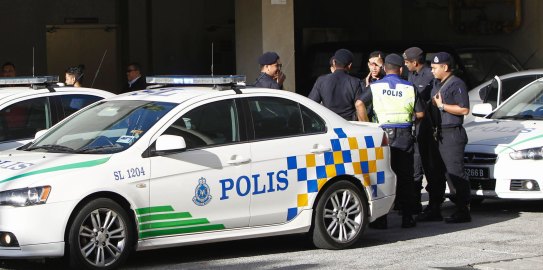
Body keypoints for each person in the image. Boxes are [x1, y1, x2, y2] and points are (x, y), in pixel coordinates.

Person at [358, 53, 424, 229]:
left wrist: (367, 126)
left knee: (382, 175)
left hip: (382, 135)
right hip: (404, 135)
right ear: (401, 69)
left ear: (385, 69)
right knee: (405, 177)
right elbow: (421, 113)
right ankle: (408, 217)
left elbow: (359, 104)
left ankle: (381, 219)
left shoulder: (376, 87)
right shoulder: (409, 87)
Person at [419, 52, 471, 223]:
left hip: (451, 133)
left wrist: (442, 106)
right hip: (437, 133)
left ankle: (463, 210)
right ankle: (435, 208)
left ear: (445, 67)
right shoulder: (436, 83)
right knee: (435, 173)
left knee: (454, 173)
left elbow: (464, 109)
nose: (432, 71)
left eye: (435, 68)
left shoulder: (457, 84)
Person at [403, 47, 435, 213]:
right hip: (414, 128)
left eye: (407, 62)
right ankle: (414, 203)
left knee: (430, 167)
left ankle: (434, 203)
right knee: (414, 168)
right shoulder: (412, 75)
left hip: (427, 128)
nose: (406, 65)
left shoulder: (430, 75)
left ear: (415, 62)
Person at [308, 48, 361, 120]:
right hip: (349, 124)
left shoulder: (321, 80)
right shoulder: (355, 82)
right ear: (350, 65)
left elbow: (311, 103)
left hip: (329, 123)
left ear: (333, 62)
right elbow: (360, 106)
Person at [356, 51, 385, 122]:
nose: (374, 68)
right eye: (372, 64)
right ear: (368, 65)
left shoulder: (386, 82)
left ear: (382, 65)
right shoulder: (361, 83)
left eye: (377, 65)